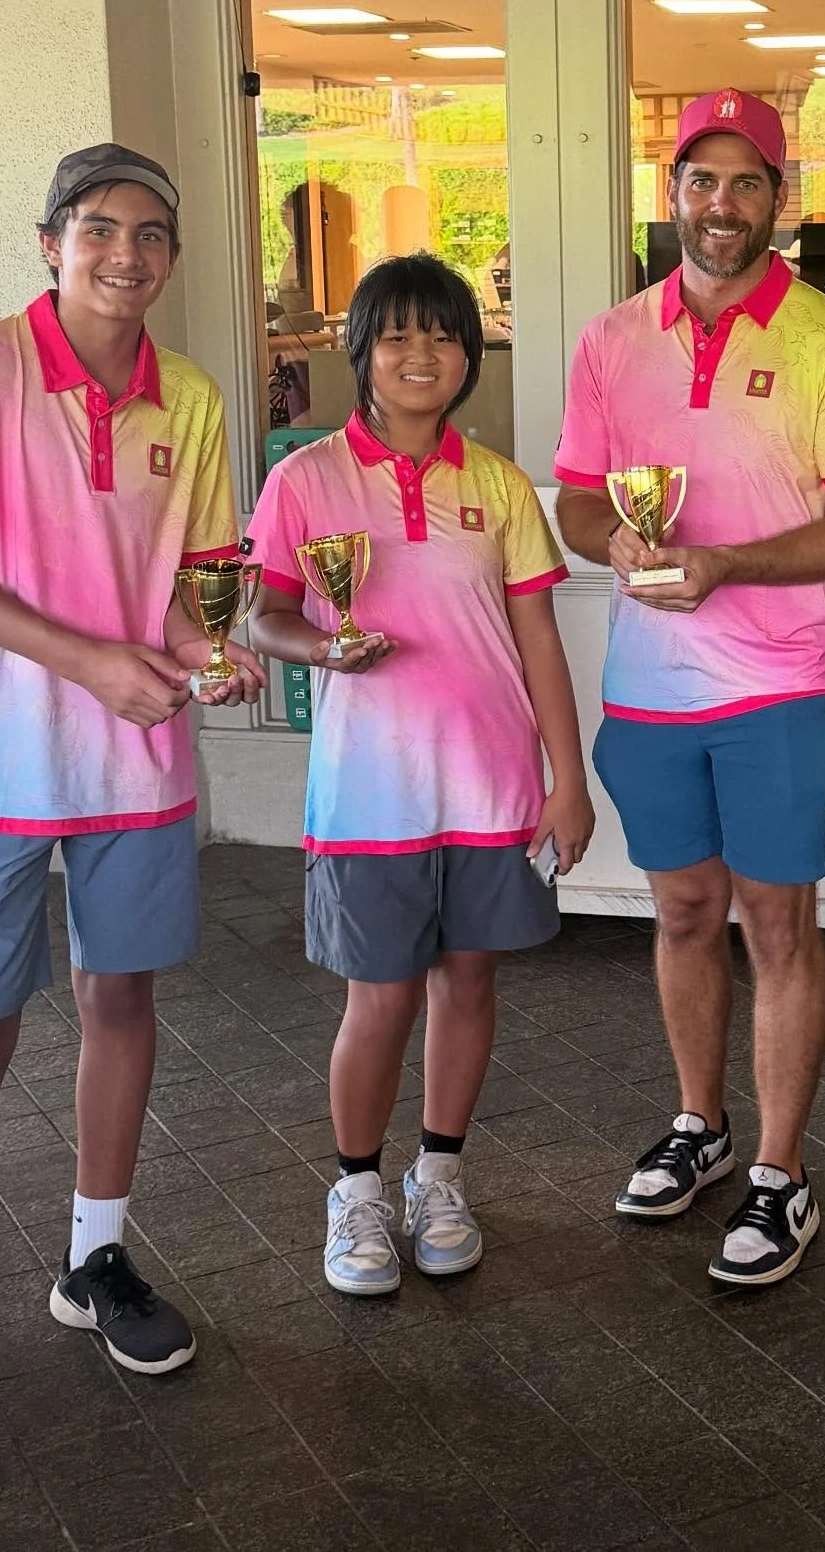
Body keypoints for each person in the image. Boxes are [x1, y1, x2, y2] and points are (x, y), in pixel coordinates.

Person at [0, 145, 266, 1495]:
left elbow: (192, 589)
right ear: (50, 241)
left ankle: (94, 1257)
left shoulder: (196, 398)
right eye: (101, 229)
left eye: (153, 234)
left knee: (121, 1005)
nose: (128, 256)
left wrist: (209, 650)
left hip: (140, 770)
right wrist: (86, 657)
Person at [555, 89, 825, 1287]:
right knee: (684, 913)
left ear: (779, 200)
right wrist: (613, 539)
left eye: (746, 182)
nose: (722, 205)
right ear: (672, 195)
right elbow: (577, 498)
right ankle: (700, 1126)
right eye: (701, 181)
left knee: (777, 924)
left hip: (778, 684)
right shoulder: (611, 339)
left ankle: (781, 1173)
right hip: (649, 688)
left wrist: (725, 564)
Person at [243, 252, 593, 1295]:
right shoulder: (304, 479)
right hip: (370, 791)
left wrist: (566, 779)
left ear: (468, 355)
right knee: (381, 996)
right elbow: (261, 613)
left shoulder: (495, 485)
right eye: (396, 334)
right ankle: (356, 1190)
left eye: (441, 335)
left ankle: (440, 1173)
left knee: (470, 981)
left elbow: (538, 640)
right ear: (361, 351)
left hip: (489, 784)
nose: (420, 354)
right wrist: (317, 646)